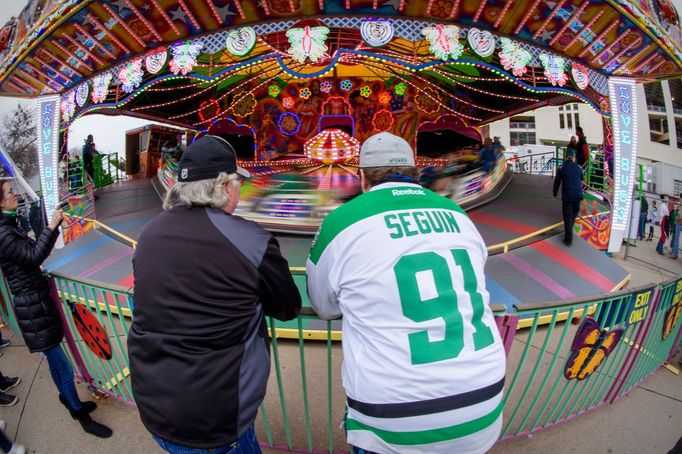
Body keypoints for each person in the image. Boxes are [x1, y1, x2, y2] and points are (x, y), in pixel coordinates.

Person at [307, 132, 506, 454]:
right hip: (484, 400)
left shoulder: (342, 221)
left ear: (362, 177)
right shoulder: (458, 214)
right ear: (415, 172)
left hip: (394, 414)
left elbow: (323, 305)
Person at [128, 135, 301, 454]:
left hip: (156, 406)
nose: (239, 190)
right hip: (218, 419)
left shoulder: (149, 234)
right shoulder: (251, 240)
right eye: (237, 183)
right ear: (223, 187)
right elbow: (288, 306)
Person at [0, 181, 111, 438]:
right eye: (9, 193)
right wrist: (51, 227)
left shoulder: (9, 227)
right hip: (32, 307)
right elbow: (33, 257)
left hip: (35, 302)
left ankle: (68, 398)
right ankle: (77, 412)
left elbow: (29, 253)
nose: (15, 194)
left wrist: (48, 229)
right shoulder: (4, 233)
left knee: (54, 361)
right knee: (62, 365)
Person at [553, 148, 583, 247]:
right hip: (578, 195)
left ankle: (568, 241)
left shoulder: (562, 167)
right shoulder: (578, 167)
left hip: (567, 196)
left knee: (567, 217)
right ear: (574, 157)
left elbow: (557, 182)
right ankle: (569, 230)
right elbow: (581, 178)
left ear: (566, 157)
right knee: (574, 214)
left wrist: (555, 193)